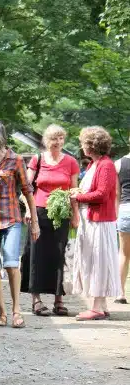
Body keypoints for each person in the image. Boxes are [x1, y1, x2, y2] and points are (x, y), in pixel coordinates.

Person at [0, 120, 39, 328]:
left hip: (11, 219)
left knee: (11, 264)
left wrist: (34, 221)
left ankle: (17, 311)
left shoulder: (16, 160)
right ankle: (2, 313)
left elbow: (28, 192)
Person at [21, 125, 80, 316]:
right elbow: (27, 187)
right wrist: (29, 210)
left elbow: (73, 191)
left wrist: (75, 214)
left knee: (58, 255)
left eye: (61, 138)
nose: (58, 142)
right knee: (36, 254)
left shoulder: (71, 162)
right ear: (47, 141)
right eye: (54, 139)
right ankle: (36, 300)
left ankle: (58, 299)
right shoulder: (37, 160)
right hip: (38, 212)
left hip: (61, 214)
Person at [71, 126, 121, 320]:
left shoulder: (106, 165)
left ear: (92, 145)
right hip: (91, 220)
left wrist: (78, 197)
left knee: (98, 262)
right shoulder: (93, 165)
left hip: (100, 222)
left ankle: (97, 307)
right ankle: (102, 305)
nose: (82, 146)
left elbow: (101, 194)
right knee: (94, 261)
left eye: (84, 143)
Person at [115, 149, 130, 304]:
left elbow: (116, 194)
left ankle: (120, 293)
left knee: (124, 254)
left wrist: (116, 215)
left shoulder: (118, 164)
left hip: (126, 209)